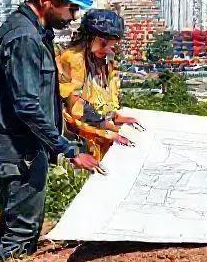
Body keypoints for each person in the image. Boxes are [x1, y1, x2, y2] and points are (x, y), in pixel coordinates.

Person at [0, 0, 103, 262]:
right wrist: (68, 150)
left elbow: (42, 98)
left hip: (25, 147)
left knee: (16, 225)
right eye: (70, 9)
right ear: (47, 1)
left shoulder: (35, 33)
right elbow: (27, 106)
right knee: (21, 230)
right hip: (18, 150)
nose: (73, 17)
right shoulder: (25, 39)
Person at [57, 9, 143, 160]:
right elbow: (76, 107)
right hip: (78, 143)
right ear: (89, 38)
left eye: (113, 45)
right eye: (103, 43)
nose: (108, 49)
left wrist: (116, 117)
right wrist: (106, 127)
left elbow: (105, 100)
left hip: (102, 142)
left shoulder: (105, 61)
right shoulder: (73, 59)